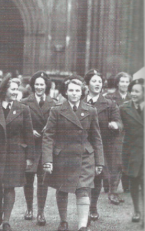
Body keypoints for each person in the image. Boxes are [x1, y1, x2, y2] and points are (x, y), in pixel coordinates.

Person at [42, 75, 104, 231]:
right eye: (71, 90)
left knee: (83, 189)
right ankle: (63, 221)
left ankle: (82, 225)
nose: (74, 93)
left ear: (82, 92)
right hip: (63, 156)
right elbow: (48, 135)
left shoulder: (90, 110)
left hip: (85, 156)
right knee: (62, 189)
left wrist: (99, 161)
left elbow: (96, 138)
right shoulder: (56, 110)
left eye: (77, 90)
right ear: (66, 92)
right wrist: (47, 160)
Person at [0, 74, 34, 231]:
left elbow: (29, 134)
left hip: (15, 154)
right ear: (4, 90)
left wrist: (30, 157)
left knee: (10, 187)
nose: (16, 92)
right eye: (13, 89)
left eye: (17, 89)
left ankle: (6, 221)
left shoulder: (23, 109)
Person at [83, 70, 123, 222]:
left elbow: (119, 122)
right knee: (83, 179)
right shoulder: (80, 100)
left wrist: (115, 125)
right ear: (87, 84)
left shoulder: (109, 104)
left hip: (101, 146)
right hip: (82, 145)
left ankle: (92, 206)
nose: (98, 84)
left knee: (98, 177)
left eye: (100, 81)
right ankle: (84, 208)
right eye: (94, 81)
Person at [20, 71, 55, 226]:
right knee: (28, 178)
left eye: (42, 84)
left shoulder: (53, 103)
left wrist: (49, 129)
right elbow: (18, 123)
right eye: (37, 84)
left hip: (45, 146)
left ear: (46, 86)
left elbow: (57, 123)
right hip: (30, 146)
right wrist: (29, 131)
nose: (39, 87)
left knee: (43, 179)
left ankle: (41, 211)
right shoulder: (24, 102)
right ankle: (29, 209)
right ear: (33, 85)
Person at [119, 78, 144, 223]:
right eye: (132, 91)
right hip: (132, 151)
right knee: (134, 180)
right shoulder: (124, 108)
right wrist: (116, 124)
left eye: (137, 91)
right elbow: (119, 122)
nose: (133, 94)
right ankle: (137, 211)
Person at [106, 72, 132, 192]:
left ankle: (127, 187)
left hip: (129, 133)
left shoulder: (133, 97)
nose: (124, 84)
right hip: (115, 133)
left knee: (128, 159)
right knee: (114, 161)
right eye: (122, 81)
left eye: (127, 82)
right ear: (117, 83)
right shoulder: (110, 97)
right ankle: (110, 187)